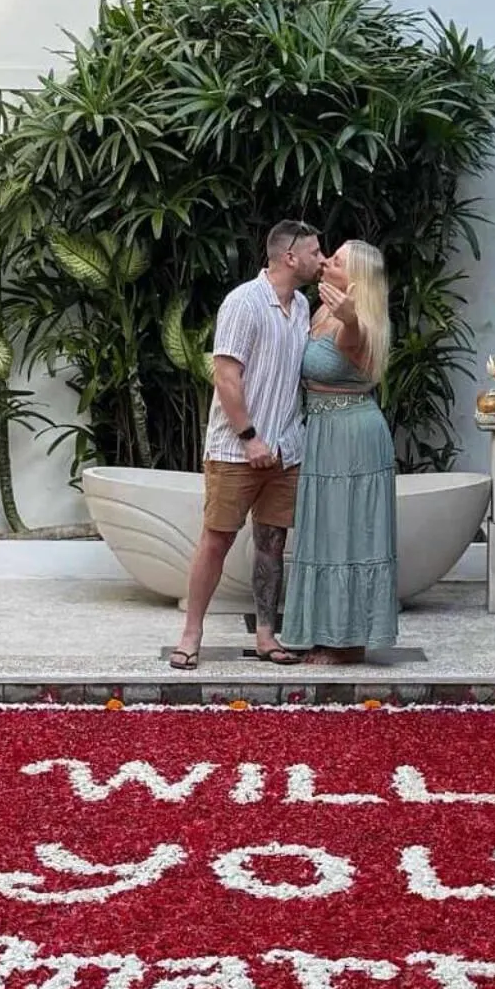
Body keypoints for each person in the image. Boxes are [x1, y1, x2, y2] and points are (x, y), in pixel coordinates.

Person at [169, 219, 324, 671]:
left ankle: (265, 635)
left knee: (272, 544)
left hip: (286, 451)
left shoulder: (300, 308)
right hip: (237, 450)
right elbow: (226, 376)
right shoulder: (243, 302)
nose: (321, 258)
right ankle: (191, 634)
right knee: (216, 540)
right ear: (289, 257)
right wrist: (250, 437)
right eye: (314, 252)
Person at [279, 240, 398, 665]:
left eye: (338, 260)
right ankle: (327, 632)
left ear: (355, 279)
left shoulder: (357, 320)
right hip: (324, 431)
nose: (327, 260)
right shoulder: (320, 309)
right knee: (327, 533)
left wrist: (349, 318)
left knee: (347, 535)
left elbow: (354, 336)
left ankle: (345, 640)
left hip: (352, 436)